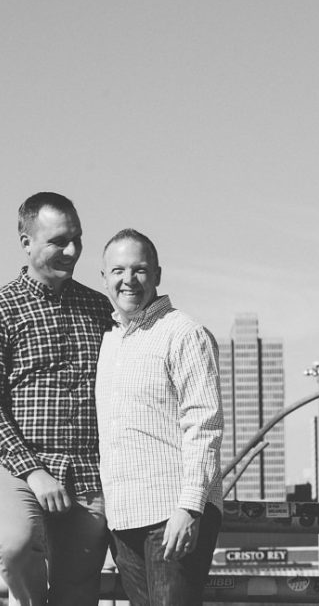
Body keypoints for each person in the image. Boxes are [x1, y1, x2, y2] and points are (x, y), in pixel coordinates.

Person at [0, 192, 113, 606]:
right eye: (58, 241)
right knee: (14, 546)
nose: (72, 250)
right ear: (26, 243)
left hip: (87, 471)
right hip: (18, 467)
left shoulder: (101, 310)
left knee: (79, 589)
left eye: (77, 239)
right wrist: (34, 471)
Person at [95, 229, 224, 606]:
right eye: (117, 270)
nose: (128, 279)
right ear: (104, 278)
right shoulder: (108, 339)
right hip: (122, 517)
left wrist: (189, 507)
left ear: (157, 275)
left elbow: (204, 424)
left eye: (140, 269)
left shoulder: (184, 333)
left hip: (173, 512)